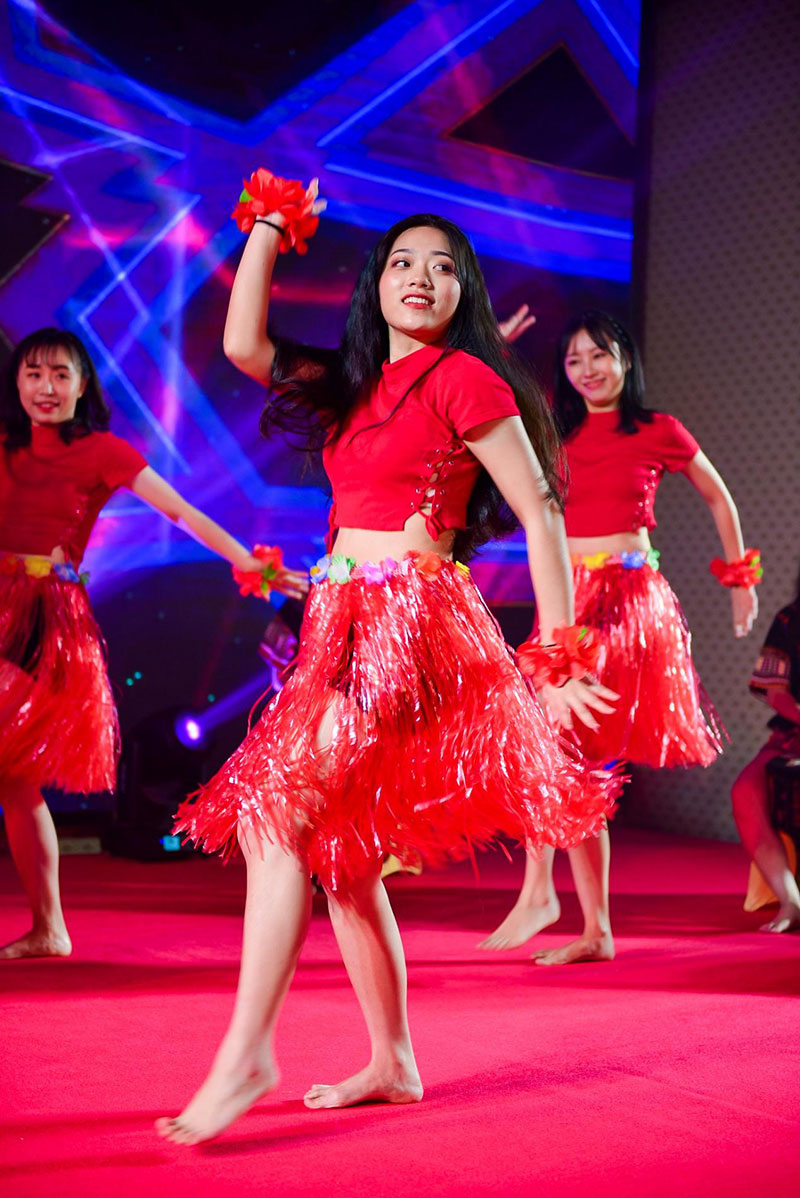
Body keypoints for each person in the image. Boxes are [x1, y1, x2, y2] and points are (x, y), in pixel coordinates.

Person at [156, 174, 619, 1146]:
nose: (420, 277)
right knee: (345, 855)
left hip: (412, 620)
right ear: (373, 283)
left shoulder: (465, 378)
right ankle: (393, 1059)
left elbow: (540, 509)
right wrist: (270, 227)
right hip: (339, 617)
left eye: (442, 267)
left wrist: (561, 651)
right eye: (401, 262)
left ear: (464, 292)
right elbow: (242, 345)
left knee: (277, 817)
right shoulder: (350, 386)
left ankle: (249, 1050)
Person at [0, 328, 307, 961]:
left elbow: (182, 513)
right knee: (14, 782)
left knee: (15, 777)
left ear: (83, 386)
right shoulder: (5, 449)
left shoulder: (103, 452)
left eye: (60, 374)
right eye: (33, 373)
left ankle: (50, 927)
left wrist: (255, 567)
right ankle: (49, 927)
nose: (46, 387)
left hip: (41, 618)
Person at [480, 310, 759, 964]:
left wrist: (739, 578)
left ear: (625, 359)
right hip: (566, 601)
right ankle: (594, 929)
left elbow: (719, 497)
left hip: (630, 600)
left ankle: (540, 894)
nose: (588, 370)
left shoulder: (659, 429)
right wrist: (492, 349)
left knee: (559, 740)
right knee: (570, 757)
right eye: (574, 360)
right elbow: (488, 412)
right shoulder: (555, 433)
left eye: (599, 355)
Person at [731, 567, 800, 933]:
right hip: (792, 734)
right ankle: (790, 900)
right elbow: (776, 693)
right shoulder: (790, 620)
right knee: (746, 791)